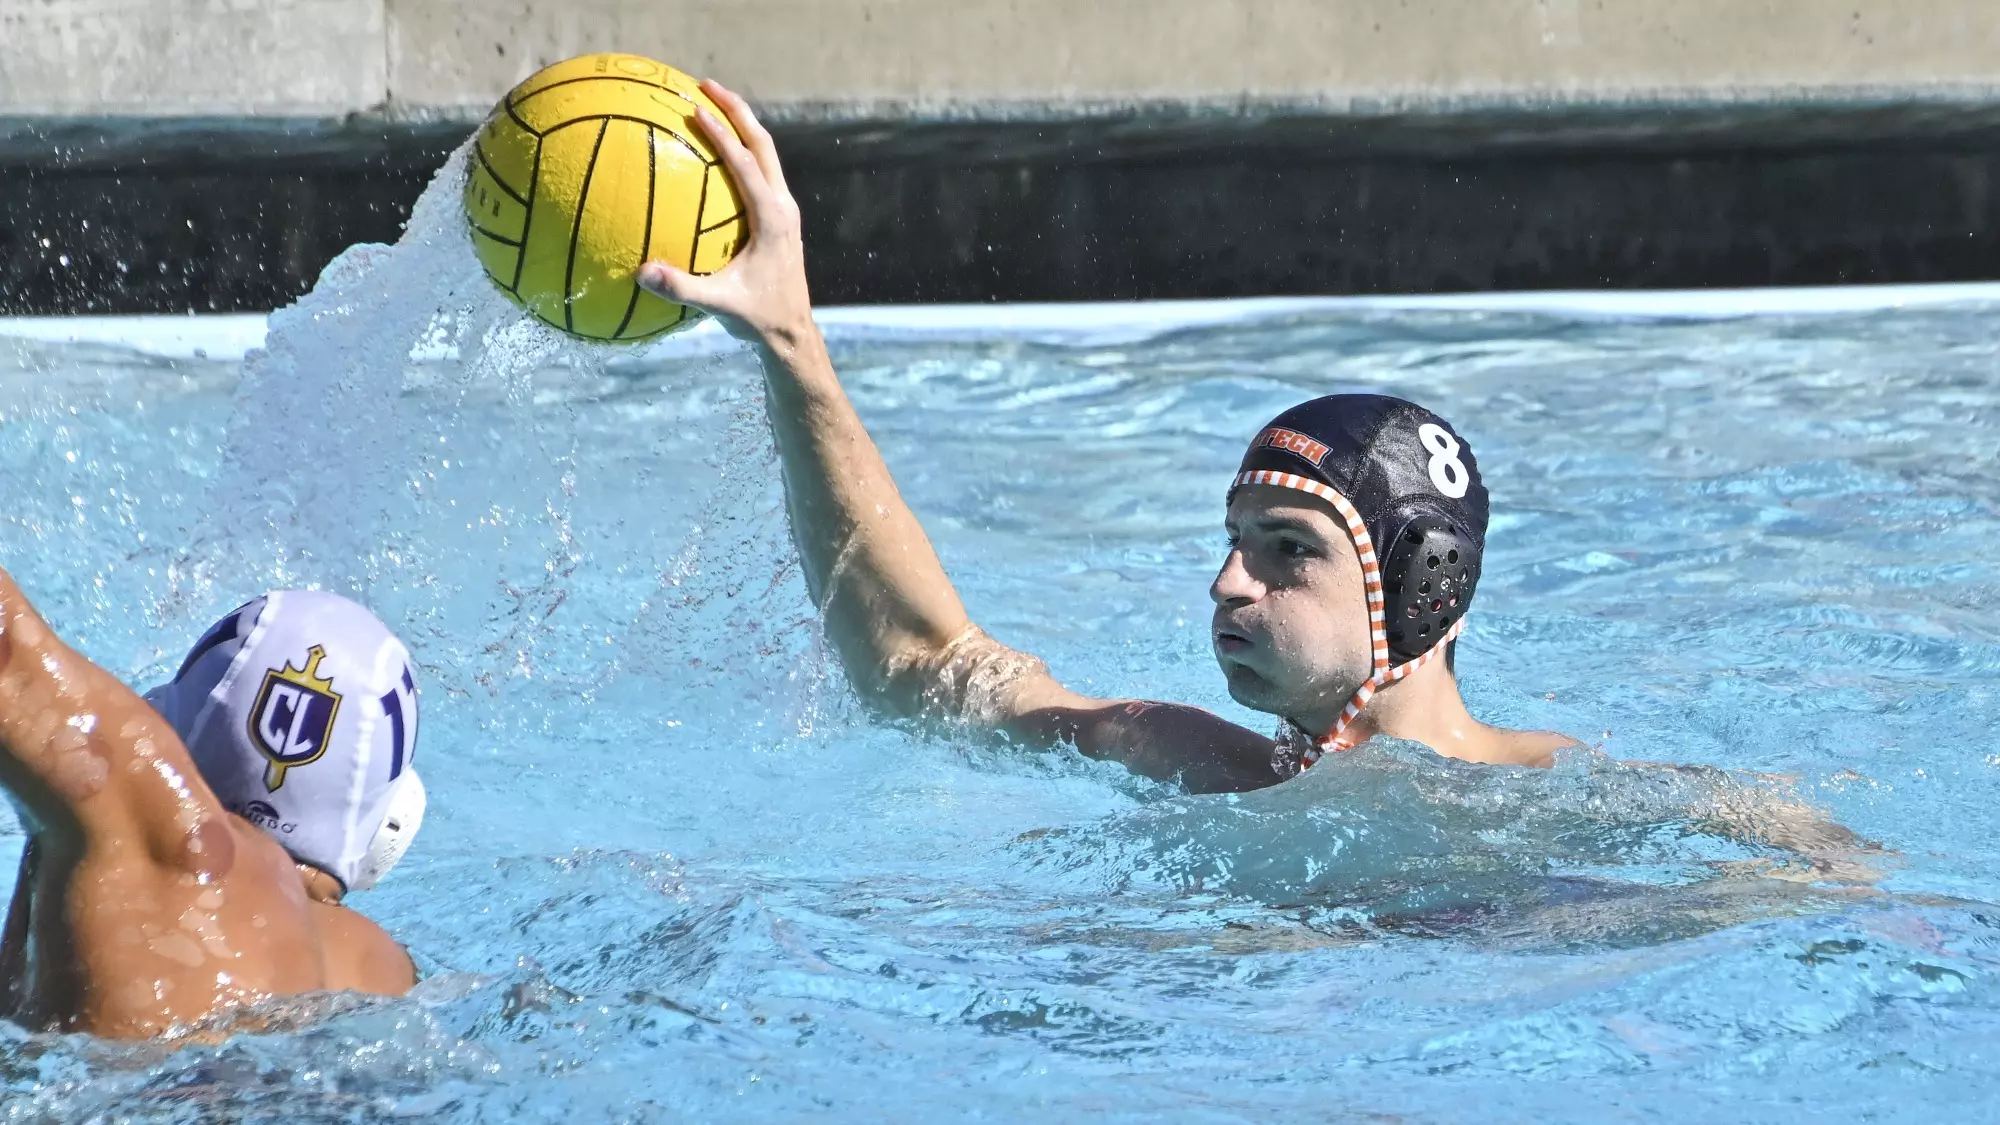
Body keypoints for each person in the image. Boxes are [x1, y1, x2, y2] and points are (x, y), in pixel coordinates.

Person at [638, 82, 1574, 796]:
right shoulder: (1187, 761)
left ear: (1421, 586)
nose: (1227, 582)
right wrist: (791, 341)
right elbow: (918, 666)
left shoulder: (1552, 795)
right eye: (1235, 541)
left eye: (1288, 549)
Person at [0, 576, 425, 1037]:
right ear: (389, 823)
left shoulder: (172, 845)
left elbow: (10, 658)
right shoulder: (393, 973)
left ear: (161, 724)